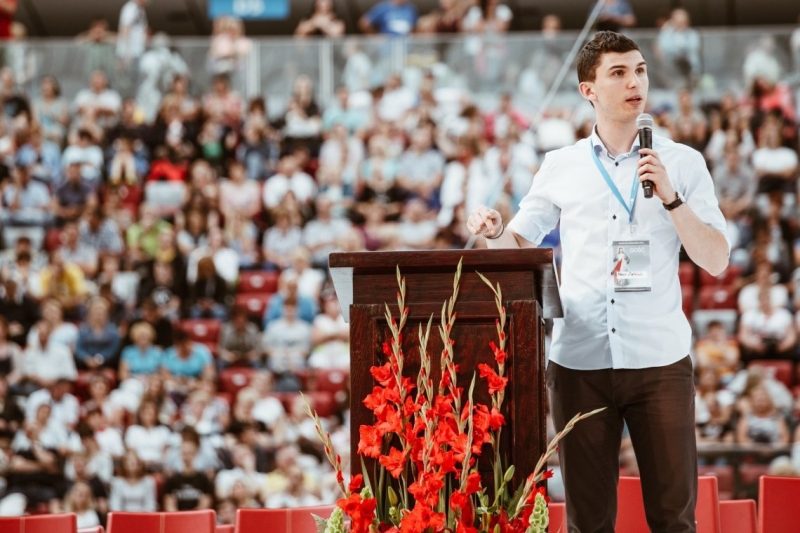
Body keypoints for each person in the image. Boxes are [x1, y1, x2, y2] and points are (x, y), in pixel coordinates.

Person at [467, 32, 730, 532]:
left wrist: (672, 199)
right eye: (619, 73)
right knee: (587, 522)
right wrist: (496, 232)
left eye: (640, 70)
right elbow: (518, 248)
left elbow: (715, 259)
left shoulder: (682, 162)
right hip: (580, 361)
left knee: (675, 519)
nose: (635, 83)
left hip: (659, 360)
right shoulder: (561, 165)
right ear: (588, 90)